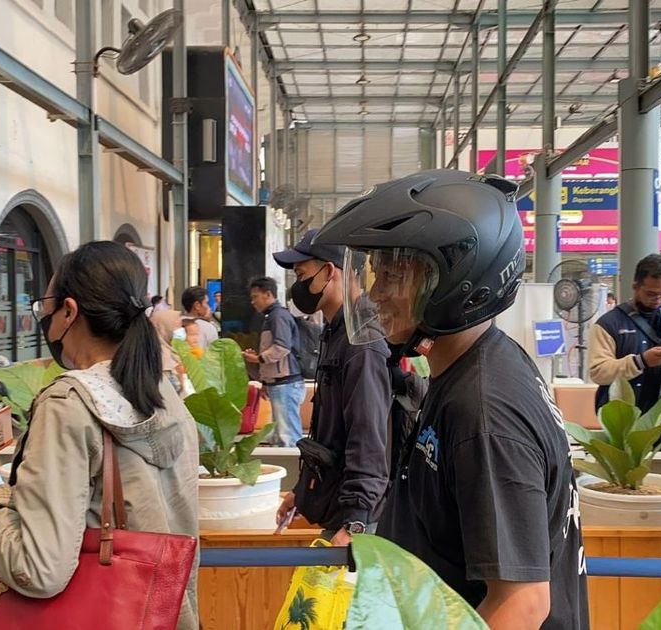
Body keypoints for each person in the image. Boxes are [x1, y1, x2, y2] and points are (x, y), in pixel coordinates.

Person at [313, 170, 588, 629]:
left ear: (458, 281)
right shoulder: (476, 368)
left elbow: (521, 604)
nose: (377, 295)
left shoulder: (483, 412)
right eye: (377, 274)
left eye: (395, 276)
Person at [0, 241, 200, 629]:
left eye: (44, 306)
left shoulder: (69, 402)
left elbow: (39, 568)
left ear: (68, 311)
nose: (44, 318)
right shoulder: (161, 393)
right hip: (162, 616)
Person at [271, 229, 391, 545]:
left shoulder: (361, 343)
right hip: (338, 509)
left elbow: (367, 435)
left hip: (355, 525)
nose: (297, 286)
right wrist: (302, 492)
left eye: (301, 274)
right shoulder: (337, 333)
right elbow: (329, 434)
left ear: (329, 271)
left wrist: (356, 522)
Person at [589, 254, 661, 414]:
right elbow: (598, 372)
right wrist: (640, 362)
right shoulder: (608, 325)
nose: (658, 299)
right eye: (651, 293)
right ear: (635, 286)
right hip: (624, 422)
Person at [242, 276, 305, 447]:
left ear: (268, 294)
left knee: (288, 437)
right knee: (280, 435)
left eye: (255, 296)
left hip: (286, 383)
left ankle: (295, 472)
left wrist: (258, 358)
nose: (252, 301)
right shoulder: (272, 316)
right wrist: (265, 381)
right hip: (279, 383)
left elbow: (282, 347)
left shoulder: (278, 316)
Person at [180, 286, 220, 350]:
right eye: (206, 303)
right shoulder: (208, 328)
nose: (208, 307)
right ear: (197, 305)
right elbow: (215, 356)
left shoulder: (174, 323)